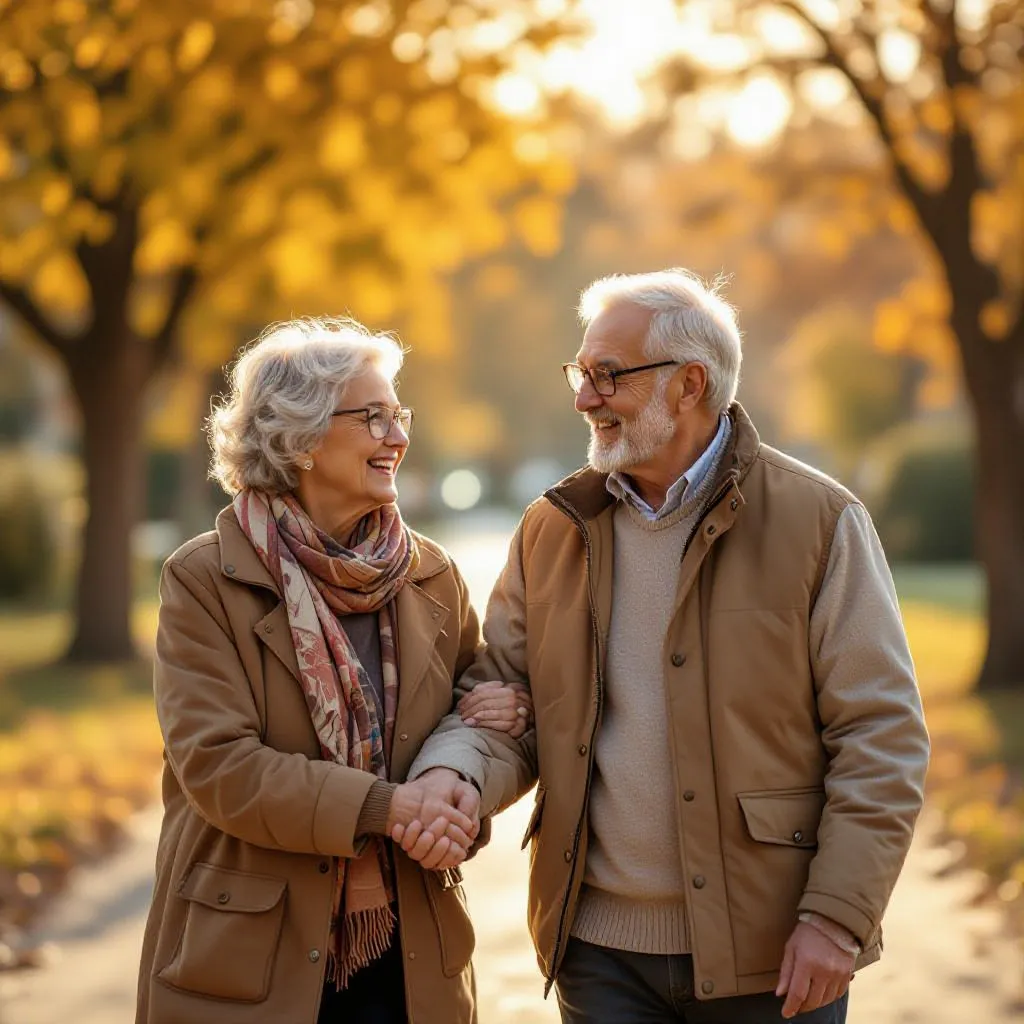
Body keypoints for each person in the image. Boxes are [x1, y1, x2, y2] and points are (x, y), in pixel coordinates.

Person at [400, 270, 930, 1023]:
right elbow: (503, 699)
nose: (585, 397)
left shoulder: (820, 523)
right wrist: (456, 775)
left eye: (607, 375)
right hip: (597, 955)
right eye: (580, 374)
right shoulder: (554, 528)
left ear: (689, 384)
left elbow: (880, 736)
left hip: (772, 954)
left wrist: (837, 917)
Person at [136, 317, 531, 1024]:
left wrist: (468, 773)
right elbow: (219, 765)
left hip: (411, 962)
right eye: (373, 416)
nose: (398, 437)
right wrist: (388, 806)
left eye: (398, 414)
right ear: (302, 438)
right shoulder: (204, 579)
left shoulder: (433, 574)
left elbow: (482, 715)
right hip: (250, 961)